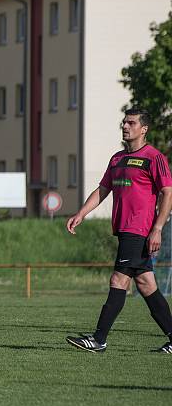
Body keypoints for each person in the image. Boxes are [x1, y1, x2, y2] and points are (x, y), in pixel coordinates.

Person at [65, 108, 172, 353]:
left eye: (131, 123)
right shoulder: (117, 159)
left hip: (139, 230)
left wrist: (157, 228)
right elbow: (103, 189)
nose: (125, 126)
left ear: (143, 129)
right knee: (146, 284)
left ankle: (99, 339)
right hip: (124, 230)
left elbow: (168, 192)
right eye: (124, 122)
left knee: (118, 280)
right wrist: (81, 213)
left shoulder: (154, 158)